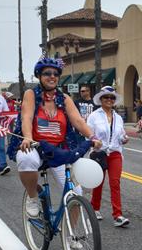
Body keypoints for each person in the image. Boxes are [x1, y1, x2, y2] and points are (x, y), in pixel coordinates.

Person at [12, 57, 99, 222]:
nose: (52, 76)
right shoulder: (31, 94)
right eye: (47, 73)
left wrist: (93, 137)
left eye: (55, 73)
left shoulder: (64, 98)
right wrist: (28, 138)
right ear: (39, 76)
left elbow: (78, 121)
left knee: (76, 194)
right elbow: (27, 117)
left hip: (58, 150)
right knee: (26, 158)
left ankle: (72, 236)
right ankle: (32, 197)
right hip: (37, 147)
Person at [87, 86, 130, 227]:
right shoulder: (94, 116)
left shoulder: (118, 118)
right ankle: (95, 208)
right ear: (101, 99)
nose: (109, 100)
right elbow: (88, 133)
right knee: (98, 181)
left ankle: (117, 215)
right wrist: (94, 141)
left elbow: (121, 134)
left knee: (115, 182)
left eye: (112, 97)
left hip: (115, 152)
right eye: (106, 97)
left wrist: (124, 138)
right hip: (100, 152)